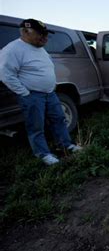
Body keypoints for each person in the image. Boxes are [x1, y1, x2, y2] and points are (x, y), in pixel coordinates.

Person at [0, 18, 82, 165]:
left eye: (46, 34)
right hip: (32, 95)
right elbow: (6, 75)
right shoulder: (12, 50)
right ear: (25, 31)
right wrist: (25, 92)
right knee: (36, 126)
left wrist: (52, 84)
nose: (45, 37)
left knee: (59, 119)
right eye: (40, 34)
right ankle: (43, 154)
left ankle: (65, 145)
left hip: (50, 93)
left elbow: (47, 68)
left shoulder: (40, 48)